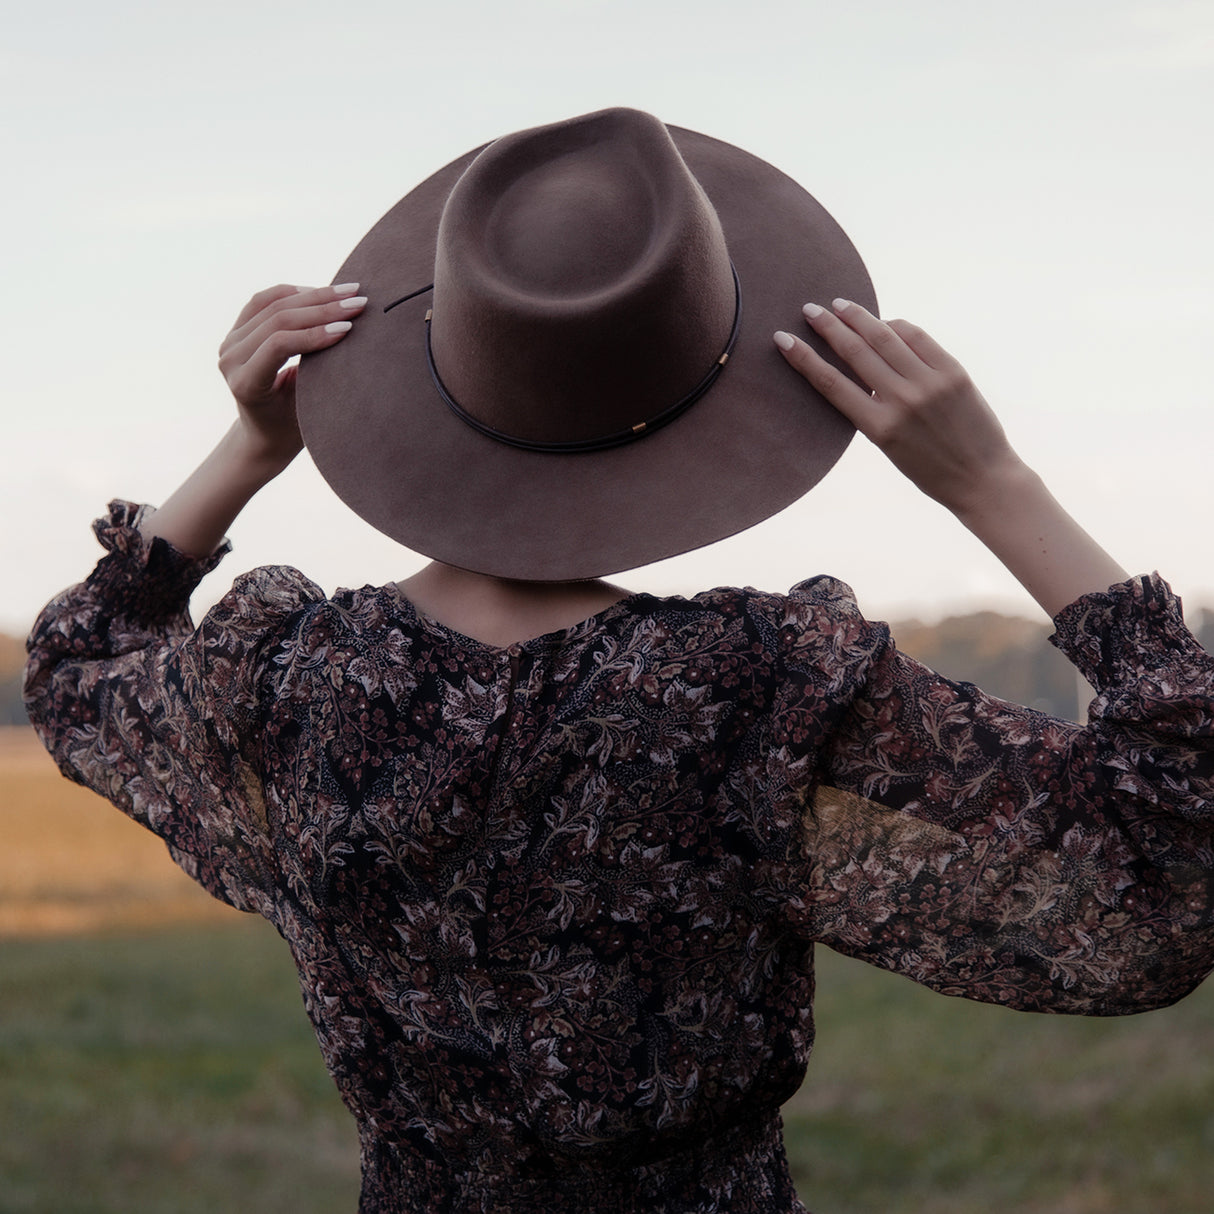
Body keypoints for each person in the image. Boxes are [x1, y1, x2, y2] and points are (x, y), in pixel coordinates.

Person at [24, 109, 1214, 1214]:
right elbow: (1166, 852)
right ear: (713, 371)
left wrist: (250, 441)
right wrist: (989, 482)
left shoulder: (282, 679)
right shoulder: (748, 691)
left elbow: (79, 665)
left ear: (434, 370)